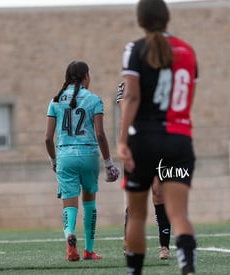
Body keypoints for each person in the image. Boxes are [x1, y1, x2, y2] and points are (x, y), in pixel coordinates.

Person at [117, 0, 198, 274]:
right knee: (179, 213)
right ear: (167, 17)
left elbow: (132, 96)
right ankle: (186, 264)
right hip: (178, 139)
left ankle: (134, 271)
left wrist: (122, 140)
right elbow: (187, 100)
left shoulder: (135, 49)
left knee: (137, 214)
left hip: (144, 139)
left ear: (140, 20)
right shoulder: (187, 50)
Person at [45, 60, 120, 262]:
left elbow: (47, 138)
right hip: (88, 156)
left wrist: (53, 160)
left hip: (65, 156)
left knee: (69, 204)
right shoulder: (94, 100)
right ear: (86, 76)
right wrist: (108, 163)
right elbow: (100, 134)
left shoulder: (55, 101)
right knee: (89, 204)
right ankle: (88, 250)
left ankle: (69, 235)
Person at [116, 81, 172, 260]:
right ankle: (129, 242)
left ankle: (164, 246)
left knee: (159, 192)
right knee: (135, 196)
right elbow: (126, 112)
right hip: (135, 145)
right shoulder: (125, 84)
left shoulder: (161, 82)